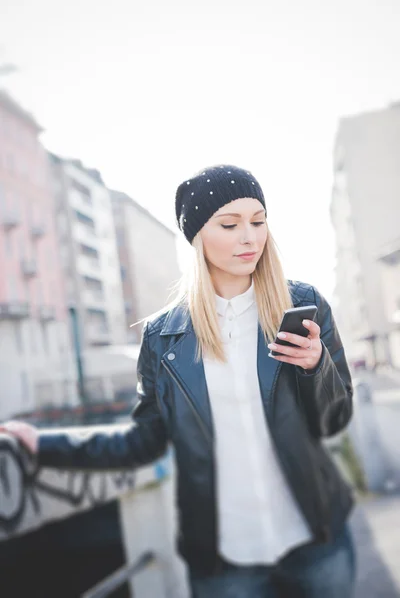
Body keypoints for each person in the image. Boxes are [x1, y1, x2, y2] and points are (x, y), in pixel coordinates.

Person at [0, 165, 356, 597]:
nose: (250, 237)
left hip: (317, 539)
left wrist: (317, 365)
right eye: (230, 224)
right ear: (197, 236)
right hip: (225, 563)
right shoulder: (163, 337)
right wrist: (44, 445)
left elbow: (333, 421)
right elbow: (144, 441)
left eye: (258, 221)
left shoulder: (303, 305)